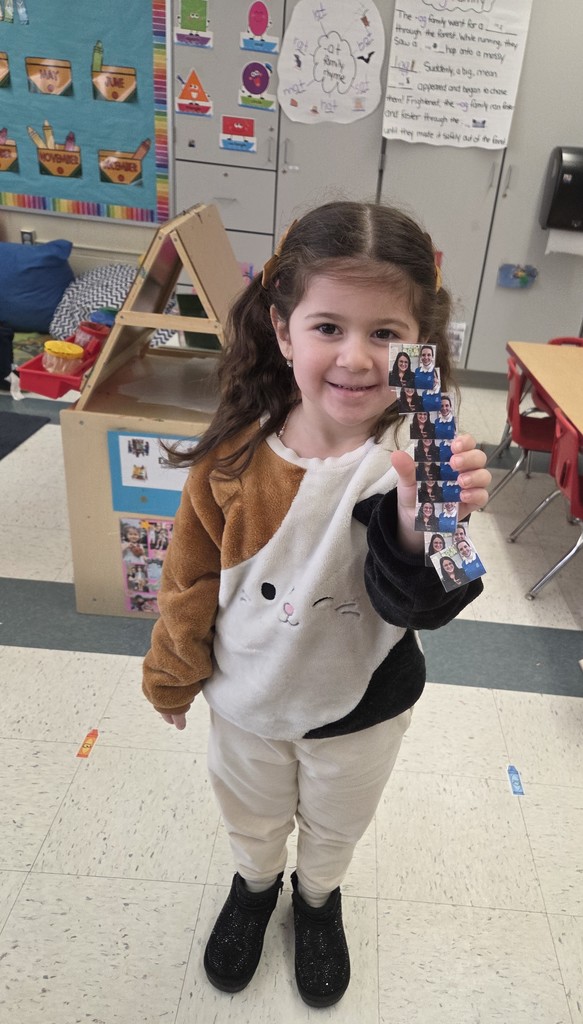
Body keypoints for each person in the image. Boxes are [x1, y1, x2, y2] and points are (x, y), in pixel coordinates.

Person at [141, 201, 490, 1008]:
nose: (357, 358)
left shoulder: (406, 468)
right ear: (281, 328)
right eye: (328, 326)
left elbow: (421, 605)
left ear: (420, 349)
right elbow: (189, 582)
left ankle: (317, 899)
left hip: (360, 707)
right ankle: (255, 886)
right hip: (248, 698)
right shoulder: (232, 459)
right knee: (250, 815)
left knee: (336, 826)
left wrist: (414, 529)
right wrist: (171, 675)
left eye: (385, 333)